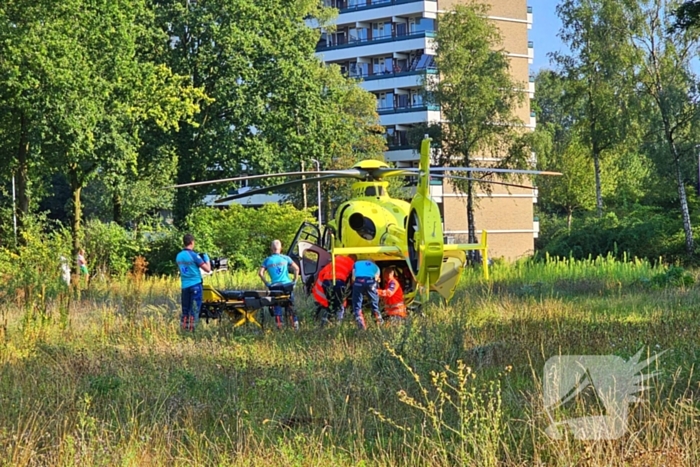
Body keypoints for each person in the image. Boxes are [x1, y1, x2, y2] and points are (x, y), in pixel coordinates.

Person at [259, 239, 300, 329]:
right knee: (290, 305)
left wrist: (267, 283)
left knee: (277, 304)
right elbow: (296, 269)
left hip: (274, 287)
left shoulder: (267, 260)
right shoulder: (286, 258)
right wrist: (294, 281)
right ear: (281, 248)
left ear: (271, 248)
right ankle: (295, 326)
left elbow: (260, 273)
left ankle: (279, 325)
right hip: (287, 286)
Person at [176, 233, 211, 331]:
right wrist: (206, 259)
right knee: (194, 310)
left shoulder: (178, 256)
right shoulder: (194, 255)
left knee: (185, 310)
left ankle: (184, 329)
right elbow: (208, 269)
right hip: (195, 284)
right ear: (192, 242)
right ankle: (192, 331)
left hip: (185, 286)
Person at [312, 255, 355, 325]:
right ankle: (337, 325)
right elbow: (353, 278)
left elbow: (322, 272)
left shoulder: (336, 259)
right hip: (339, 283)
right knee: (339, 306)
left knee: (330, 305)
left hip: (326, 283)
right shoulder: (352, 263)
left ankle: (324, 323)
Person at [351, 258, 382, 330]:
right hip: (370, 282)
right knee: (374, 304)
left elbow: (353, 277)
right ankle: (379, 324)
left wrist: (356, 286)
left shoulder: (356, 263)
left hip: (358, 282)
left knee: (357, 306)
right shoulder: (376, 267)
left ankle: (361, 326)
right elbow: (377, 279)